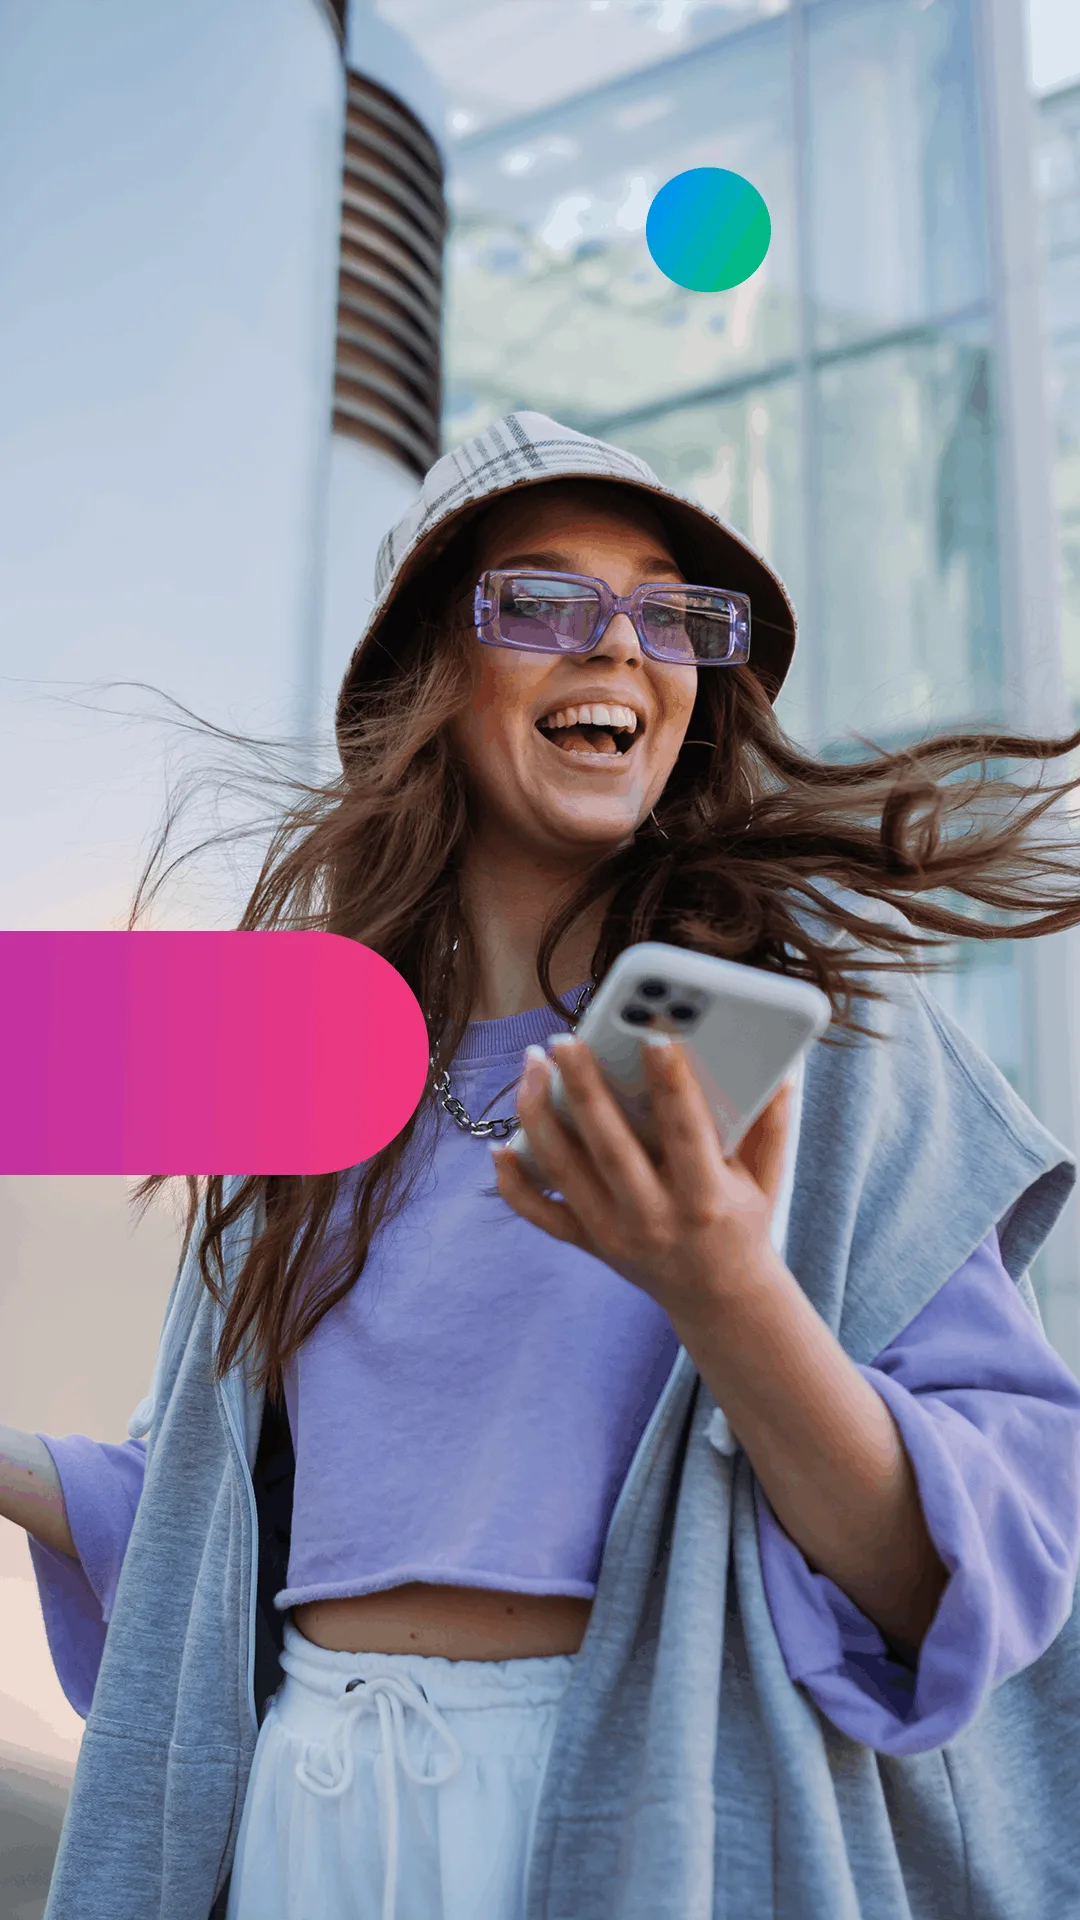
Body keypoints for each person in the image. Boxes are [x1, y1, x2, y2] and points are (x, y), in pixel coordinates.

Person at [6, 409, 1080, 1920]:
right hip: (310, 1815)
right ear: (424, 682)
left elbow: (973, 1577)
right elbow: (220, 1507)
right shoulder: (287, 1058)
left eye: (669, 613)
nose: (618, 647)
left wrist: (724, 1289)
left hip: (645, 1812)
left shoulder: (827, 1051)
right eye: (543, 601)